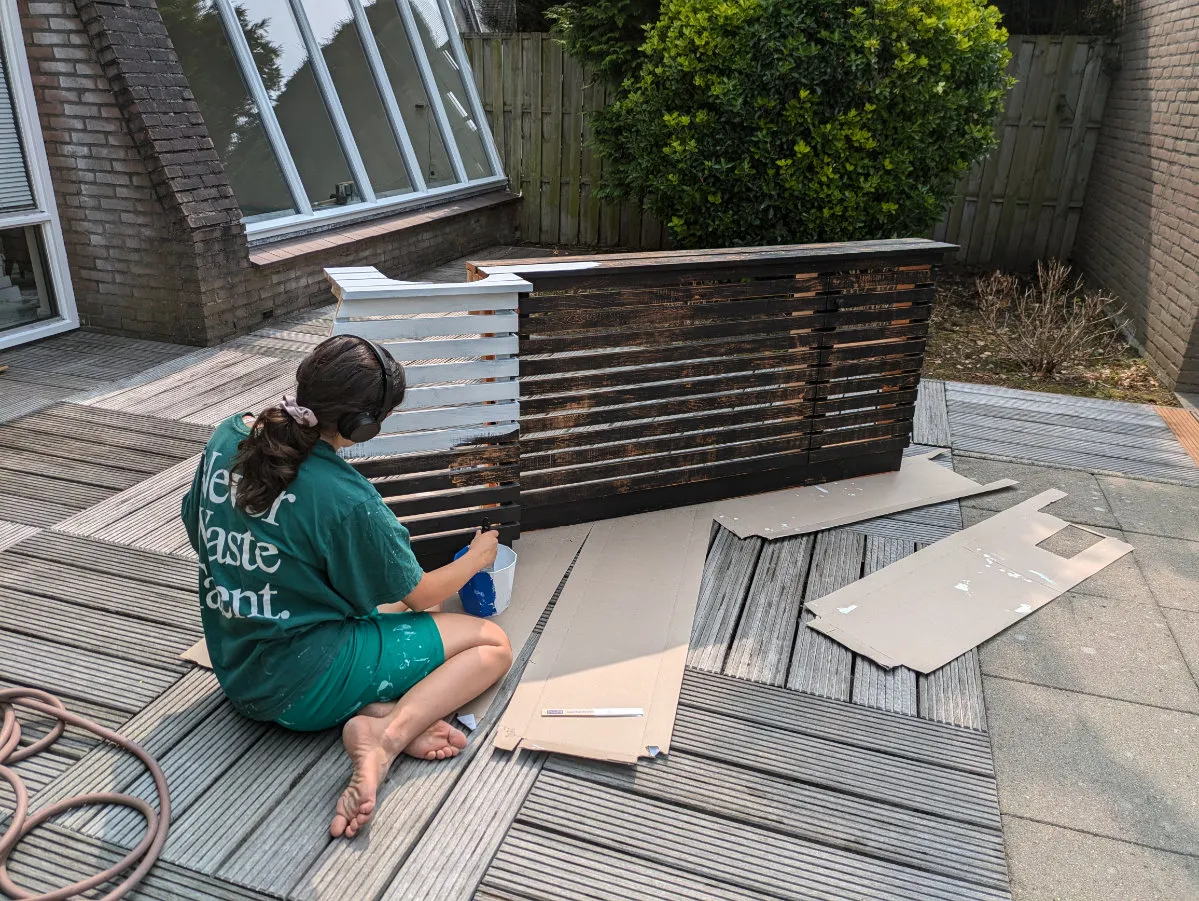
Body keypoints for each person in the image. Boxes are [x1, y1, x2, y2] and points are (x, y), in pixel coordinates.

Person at [180, 334, 513, 839]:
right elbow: (419, 595)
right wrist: (479, 558)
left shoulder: (227, 439)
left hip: (239, 672)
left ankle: (376, 705)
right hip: (300, 685)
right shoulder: (346, 499)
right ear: (364, 426)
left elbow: (198, 531)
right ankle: (386, 735)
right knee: (492, 645)